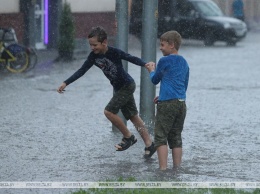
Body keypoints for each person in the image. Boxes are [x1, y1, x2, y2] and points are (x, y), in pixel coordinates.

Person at [57, 26, 156, 158]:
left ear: (104, 42)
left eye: (95, 45)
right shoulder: (93, 57)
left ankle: (129, 137)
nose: (92, 48)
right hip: (118, 88)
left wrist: (145, 64)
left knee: (108, 111)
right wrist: (66, 82)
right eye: (90, 45)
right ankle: (150, 144)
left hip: (127, 85)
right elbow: (81, 71)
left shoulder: (114, 52)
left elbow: (130, 57)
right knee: (133, 116)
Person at [145, 31, 189, 170]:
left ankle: (162, 170)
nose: (160, 48)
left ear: (172, 45)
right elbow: (183, 84)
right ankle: (177, 169)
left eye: (162, 45)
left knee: (160, 136)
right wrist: (163, 96)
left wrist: (151, 69)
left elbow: (155, 80)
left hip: (167, 104)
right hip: (181, 103)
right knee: (176, 137)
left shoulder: (164, 61)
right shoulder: (184, 61)